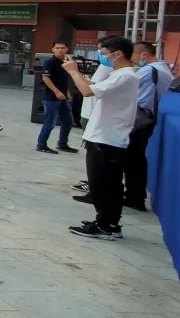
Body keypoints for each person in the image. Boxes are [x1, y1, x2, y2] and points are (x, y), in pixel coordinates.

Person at [64, 36, 140, 240]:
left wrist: (73, 71)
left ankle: (105, 225)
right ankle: (109, 223)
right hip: (106, 136)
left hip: (107, 138)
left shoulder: (125, 76)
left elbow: (86, 91)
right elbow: (94, 87)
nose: (103, 57)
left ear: (118, 54)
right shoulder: (121, 75)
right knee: (108, 184)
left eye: (105, 54)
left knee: (102, 185)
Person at [124, 41, 173, 212]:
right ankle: (135, 195)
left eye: (133, 56)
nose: (133, 60)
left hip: (141, 119)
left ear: (143, 54)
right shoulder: (164, 70)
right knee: (137, 158)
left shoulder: (147, 71)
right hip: (150, 119)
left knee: (133, 159)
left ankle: (134, 196)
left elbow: (125, 89)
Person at [73, 38, 115, 196]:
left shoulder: (110, 68)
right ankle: (93, 181)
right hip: (90, 111)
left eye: (102, 51)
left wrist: (74, 72)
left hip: (93, 113)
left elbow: (88, 89)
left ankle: (95, 185)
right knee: (92, 153)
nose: (100, 54)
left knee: (95, 154)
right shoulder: (106, 67)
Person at [37, 41, 78, 154]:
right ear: (53, 49)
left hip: (63, 97)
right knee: (50, 122)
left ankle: (62, 144)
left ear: (67, 49)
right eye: (57, 48)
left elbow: (63, 80)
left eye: (62, 48)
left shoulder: (65, 63)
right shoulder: (50, 62)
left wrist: (67, 92)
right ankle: (41, 145)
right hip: (51, 97)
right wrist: (57, 92)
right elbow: (46, 78)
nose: (60, 50)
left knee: (68, 121)